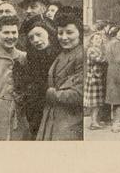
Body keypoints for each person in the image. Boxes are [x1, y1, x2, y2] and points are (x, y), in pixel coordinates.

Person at [36, 8, 84, 140]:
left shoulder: (81, 55)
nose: (64, 37)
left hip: (71, 120)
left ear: (80, 33)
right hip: (54, 117)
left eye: (69, 32)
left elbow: (79, 94)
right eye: (60, 33)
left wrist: (51, 93)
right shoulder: (63, 53)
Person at [22, 18, 60, 138]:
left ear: (48, 33)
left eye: (39, 35)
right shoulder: (31, 56)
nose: (36, 40)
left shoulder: (59, 52)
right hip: (38, 103)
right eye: (31, 38)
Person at [84, 30, 107, 130]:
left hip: (98, 78)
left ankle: (95, 121)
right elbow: (100, 60)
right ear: (92, 40)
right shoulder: (91, 50)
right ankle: (93, 122)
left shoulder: (99, 50)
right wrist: (108, 57)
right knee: (94, 103)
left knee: (97, 102)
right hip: (94, 79)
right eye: (96, 39)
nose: (99, 40)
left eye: (100, 39)